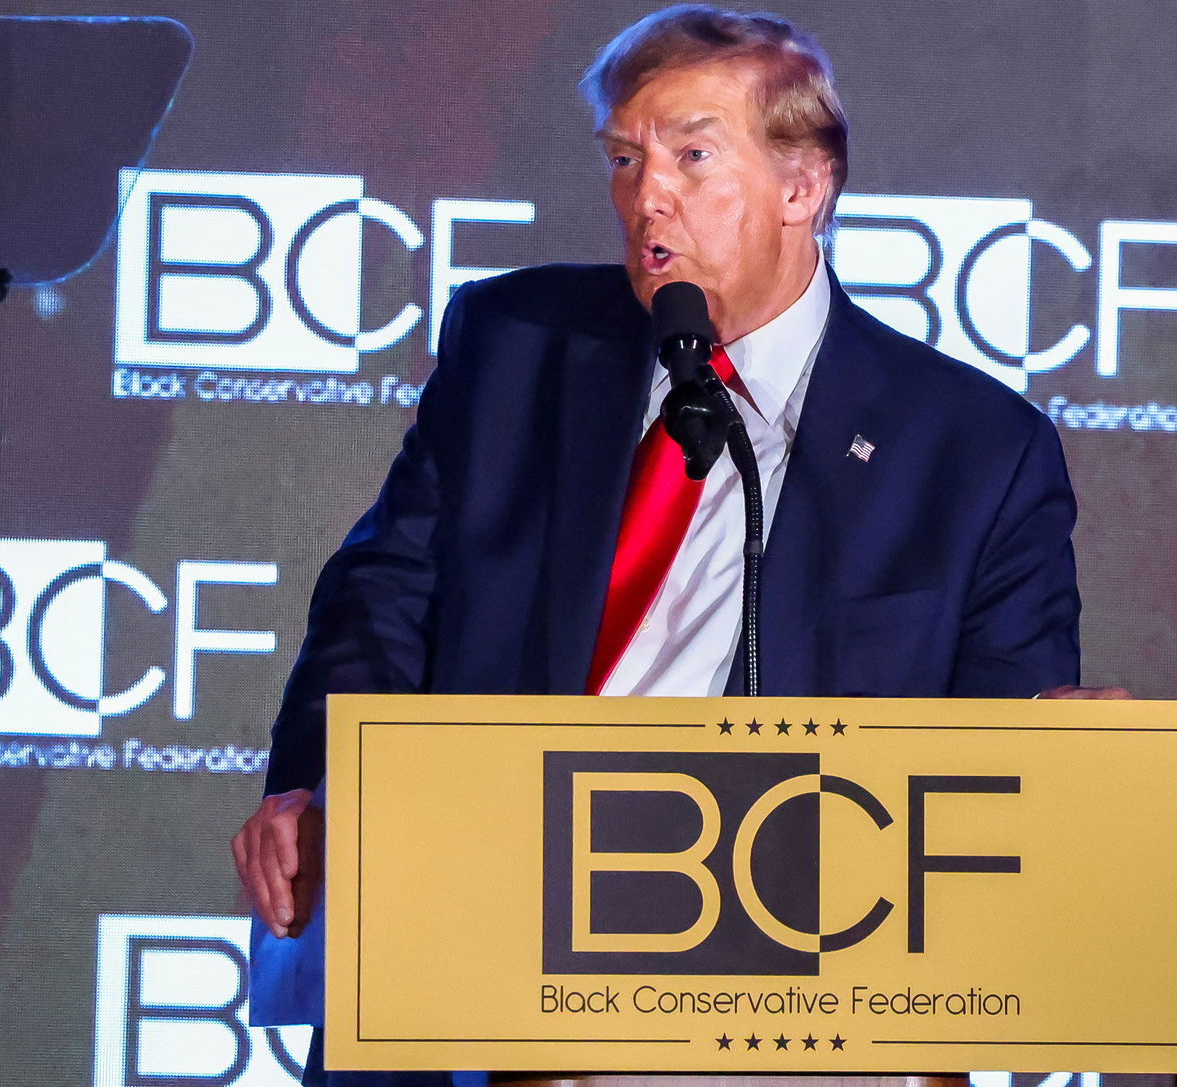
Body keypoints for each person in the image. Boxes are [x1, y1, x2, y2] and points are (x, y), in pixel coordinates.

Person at [233, 6, 1125, 1084]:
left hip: (802, 1015)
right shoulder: (517, 348)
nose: (645, 196)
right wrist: (314, 782)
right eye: (624, 158)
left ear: (805, 188)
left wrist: (1053, 750)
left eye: (693, 155)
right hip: (491, 973)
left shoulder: (976, 450)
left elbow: (1000, 746)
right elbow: (381, 600)